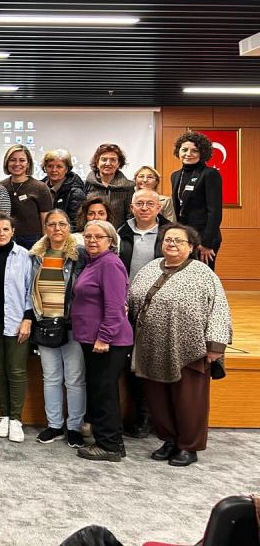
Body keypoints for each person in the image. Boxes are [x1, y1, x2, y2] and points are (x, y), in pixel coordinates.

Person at [128, 225, 232, 467]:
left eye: (178, 240)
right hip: (152, 346)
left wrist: (215, 345)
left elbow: (219, 309)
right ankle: (169, 440)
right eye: (167, 240)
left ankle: (188, 445)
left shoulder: (203, 273)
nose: (172, 244)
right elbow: (132, 299)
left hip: (190, 349)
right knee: (158, 398)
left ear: (191, 246)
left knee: (189, 400)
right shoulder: (150, 268)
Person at [71, 219, 132, 462]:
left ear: (111, 241)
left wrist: (104, 337)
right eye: (88, 236)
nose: (92, 241)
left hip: (108, 342)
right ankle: (112, 441)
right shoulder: (93, 262)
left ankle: (109, 447)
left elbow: (115, 306)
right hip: (92, 339)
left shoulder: (110, 264)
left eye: (98, 237)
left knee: (104, 393)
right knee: (101, 391)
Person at [29, 210, 88, 448]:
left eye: (62, 224)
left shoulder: (80, 254)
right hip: (45, 322)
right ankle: (54, 425)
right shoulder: (35, 256)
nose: (57, 228)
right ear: (45, 228)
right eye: (52, 224)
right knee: (51, 377)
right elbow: (29, 288)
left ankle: (74, 427)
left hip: (72, 323)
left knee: (74, 379)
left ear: (69, 227)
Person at [117, 188, 172, 439]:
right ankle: (136, 416)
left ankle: (151, 417)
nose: (145, 208)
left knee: (150, 362)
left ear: (158, 207)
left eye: (150, 203)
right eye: (139, 203)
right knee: (129, 362)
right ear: (132, 208)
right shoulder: (121, 232)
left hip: (158, 306)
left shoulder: (169, 234)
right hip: (125, 305)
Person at [0, 214, 34, 443]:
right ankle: (3, 415)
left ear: (13, 231)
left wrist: (28, 318)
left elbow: (30, 289)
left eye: (5, 229)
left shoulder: (24, 256)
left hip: (17, 321)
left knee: (16, 370)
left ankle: (16, 419)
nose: (1, 233)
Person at [170, 131, 223, 269]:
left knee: (201, 275)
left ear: (202, 153)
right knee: (182, 274)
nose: (188, 154)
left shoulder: (210, 174)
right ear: (178, 151)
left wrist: (206, 243)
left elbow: (215, 212)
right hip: (184, 236)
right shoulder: (175, 176)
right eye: (184, 150)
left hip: (204, 238)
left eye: (194, 150)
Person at [0, 144, 52, 249]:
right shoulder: (0, 187)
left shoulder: (40, 188)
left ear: (28, 164)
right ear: (7, 162)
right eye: (12, 160)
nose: (17, 164)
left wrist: (45, 244)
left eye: (22, 160)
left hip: (33, 240)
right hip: (6, 238)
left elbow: (46, 219)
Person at [83, 143, 134, 228]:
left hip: (118, 234)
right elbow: (82, 214)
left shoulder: (128, 188)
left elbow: (130, 217)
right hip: (92, 232)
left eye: (113, 160)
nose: (108, 163)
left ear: (118, 163)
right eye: (104, 159)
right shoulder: (86, 184)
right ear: (97, 162)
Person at [41, 149, 86, 231]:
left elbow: (76, 224)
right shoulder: (39, 188)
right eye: (50, 166)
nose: (54, 170)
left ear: (67, 169)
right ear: (45, 168)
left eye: (59, 166)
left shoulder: (76, 193)